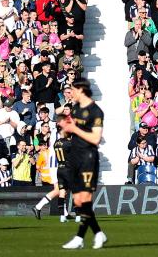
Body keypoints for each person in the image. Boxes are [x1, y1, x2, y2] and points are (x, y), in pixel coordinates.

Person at [59, 79, 106, 250]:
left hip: (88, 157)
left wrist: (74, 129)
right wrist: (65, 128)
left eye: (73, 89)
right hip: (75, 157)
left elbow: (95, 138)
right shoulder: (76, 108)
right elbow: (71, 129)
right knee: (79, 201)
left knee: (85, 199)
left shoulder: (96, 111)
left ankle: (79, 238)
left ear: (81, 90)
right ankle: (99, 233)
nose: (70, 92)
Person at [32, 140, 72, 223]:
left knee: (62, 191)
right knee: (58, 190)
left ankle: (65, 213)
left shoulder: (54, 146)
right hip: (56, 169)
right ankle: (38, 207)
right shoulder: (60, 144)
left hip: (55, 169)